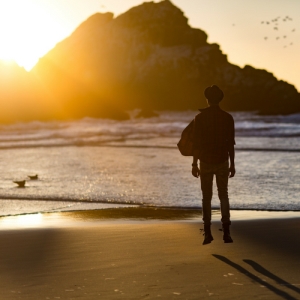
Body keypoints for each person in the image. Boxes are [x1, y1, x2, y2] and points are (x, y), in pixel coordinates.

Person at [192, 85, 235, 245]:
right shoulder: (227, 117)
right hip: (223, 160)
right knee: (223, 195)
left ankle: (207, 233)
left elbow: (196, 144)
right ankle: (227, 233)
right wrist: (233, 164)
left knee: (206, 197)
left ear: (207, 99)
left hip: (205, 160)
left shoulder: (200, 118)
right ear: (220, 99)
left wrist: (194, 164)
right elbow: (231, 143)